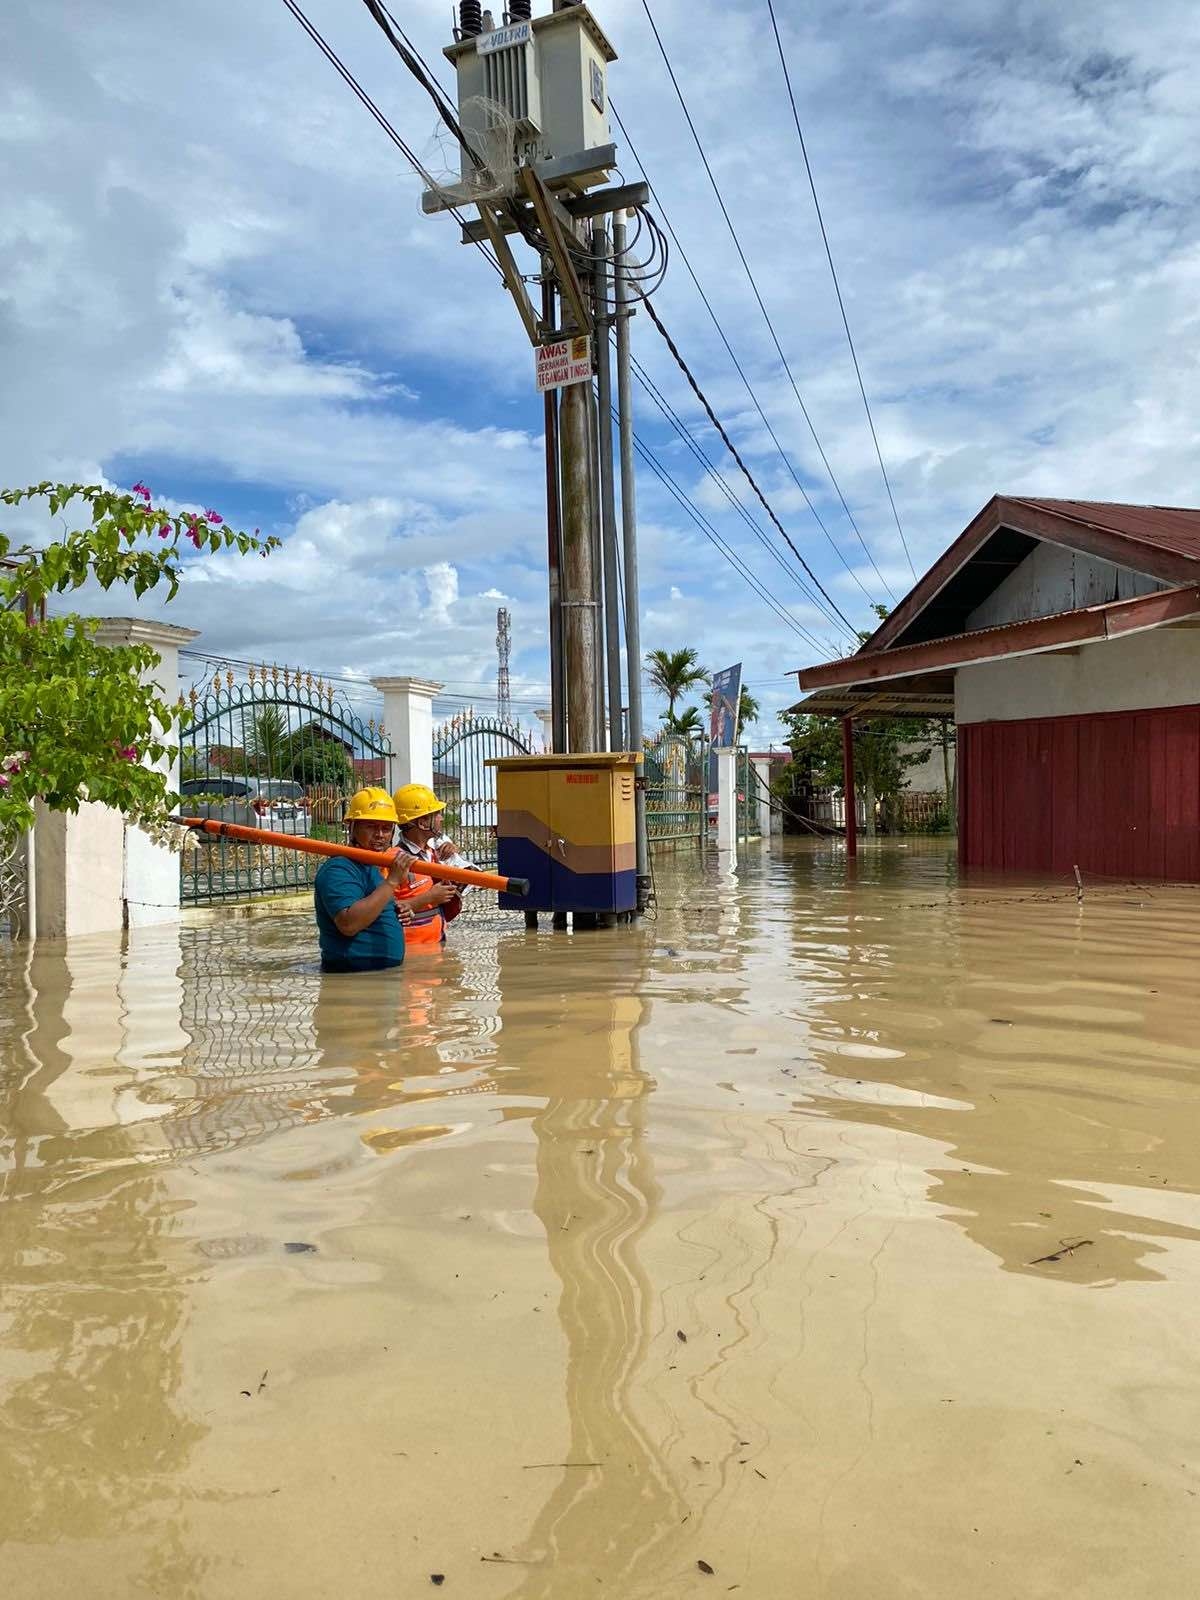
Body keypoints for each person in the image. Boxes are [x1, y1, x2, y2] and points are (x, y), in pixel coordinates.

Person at [313, 787, 413, 973]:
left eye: (386, 828)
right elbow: (349, 924)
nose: (380, 835)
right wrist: (391, 882)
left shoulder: (369, 867)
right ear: (351, 827)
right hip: (353, 976)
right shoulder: (339, 868)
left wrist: (394, 910)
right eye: (371, 826)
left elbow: (370, 904)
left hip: (378, 975)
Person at [390, 783, 465, 948]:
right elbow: (382, 910)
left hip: (436, 945)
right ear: (423, 823)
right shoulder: (394, 860)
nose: (441, 818)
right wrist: (429, 898)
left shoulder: (432, 853)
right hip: (411, 952)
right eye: (436, 814)